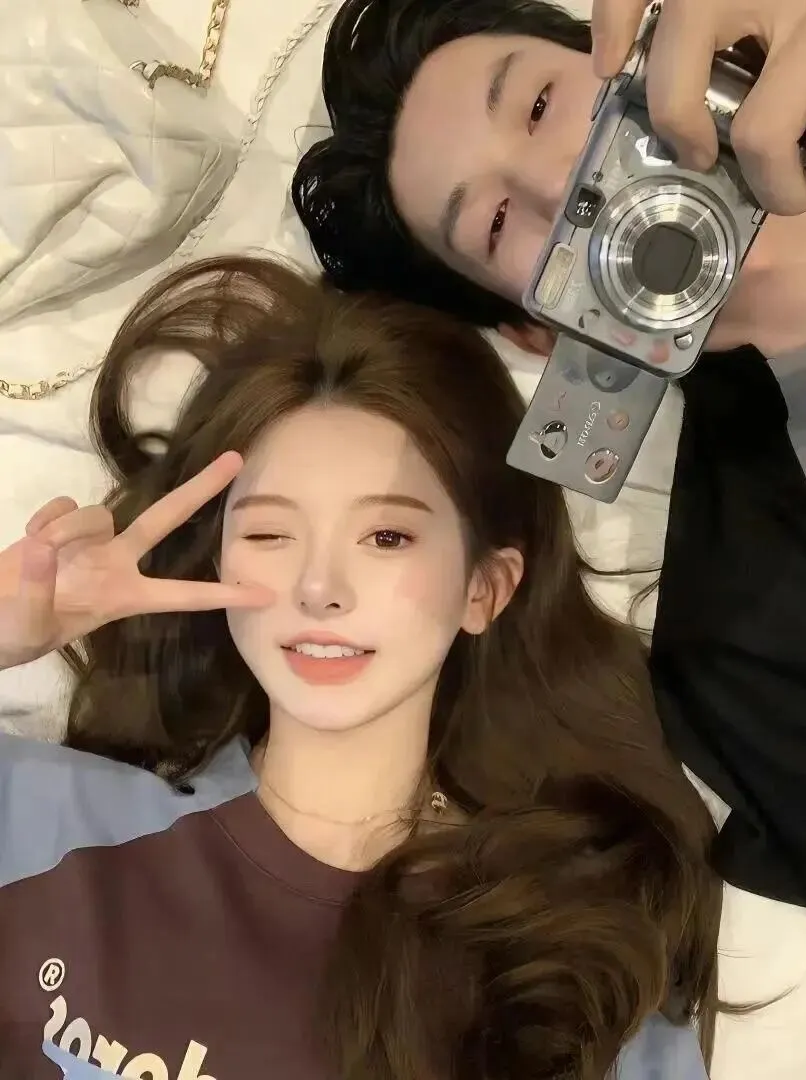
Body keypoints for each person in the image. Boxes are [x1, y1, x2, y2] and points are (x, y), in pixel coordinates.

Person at [290, 0, 806, 1077]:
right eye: (497, 225)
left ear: (638, 54)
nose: (561, 184)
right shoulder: (748, 624)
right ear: (536, 329)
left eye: (540, 105)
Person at [0, 255, 728, 1080]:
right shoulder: (45, 818)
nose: (320, 589)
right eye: (271, 533)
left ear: (485, 589)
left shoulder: (564, 958)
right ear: (217, 564)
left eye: (387, 537)